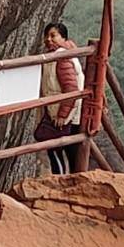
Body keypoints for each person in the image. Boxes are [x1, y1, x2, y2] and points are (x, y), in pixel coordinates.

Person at [38, 18, 86, 173]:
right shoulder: (61, 55)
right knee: (65, 151)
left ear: (63, 38)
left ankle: (61, 181)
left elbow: (71, 89)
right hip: (65, 113)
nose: (48, 39)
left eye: (53, 36)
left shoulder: (62, 58)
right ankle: (69, 181)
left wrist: (62, 115)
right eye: (47, 36)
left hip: (65, 115)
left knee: (56, 150)